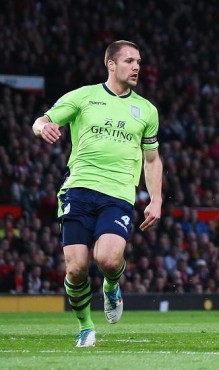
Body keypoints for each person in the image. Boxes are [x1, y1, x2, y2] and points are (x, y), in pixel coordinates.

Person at [32, 40, 163, 347]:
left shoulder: (146, 110)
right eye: (130, 61)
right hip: (78, 190)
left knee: (106, 257)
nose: (136, 67)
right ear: (111, 64)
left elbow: (152, 158)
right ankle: (86, 327)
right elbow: (42, 120)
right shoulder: (84, 96)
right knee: (76, 268)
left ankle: (112, 284)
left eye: (139, 62)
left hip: (118, 195)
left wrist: (156, 200)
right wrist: (43, 129)